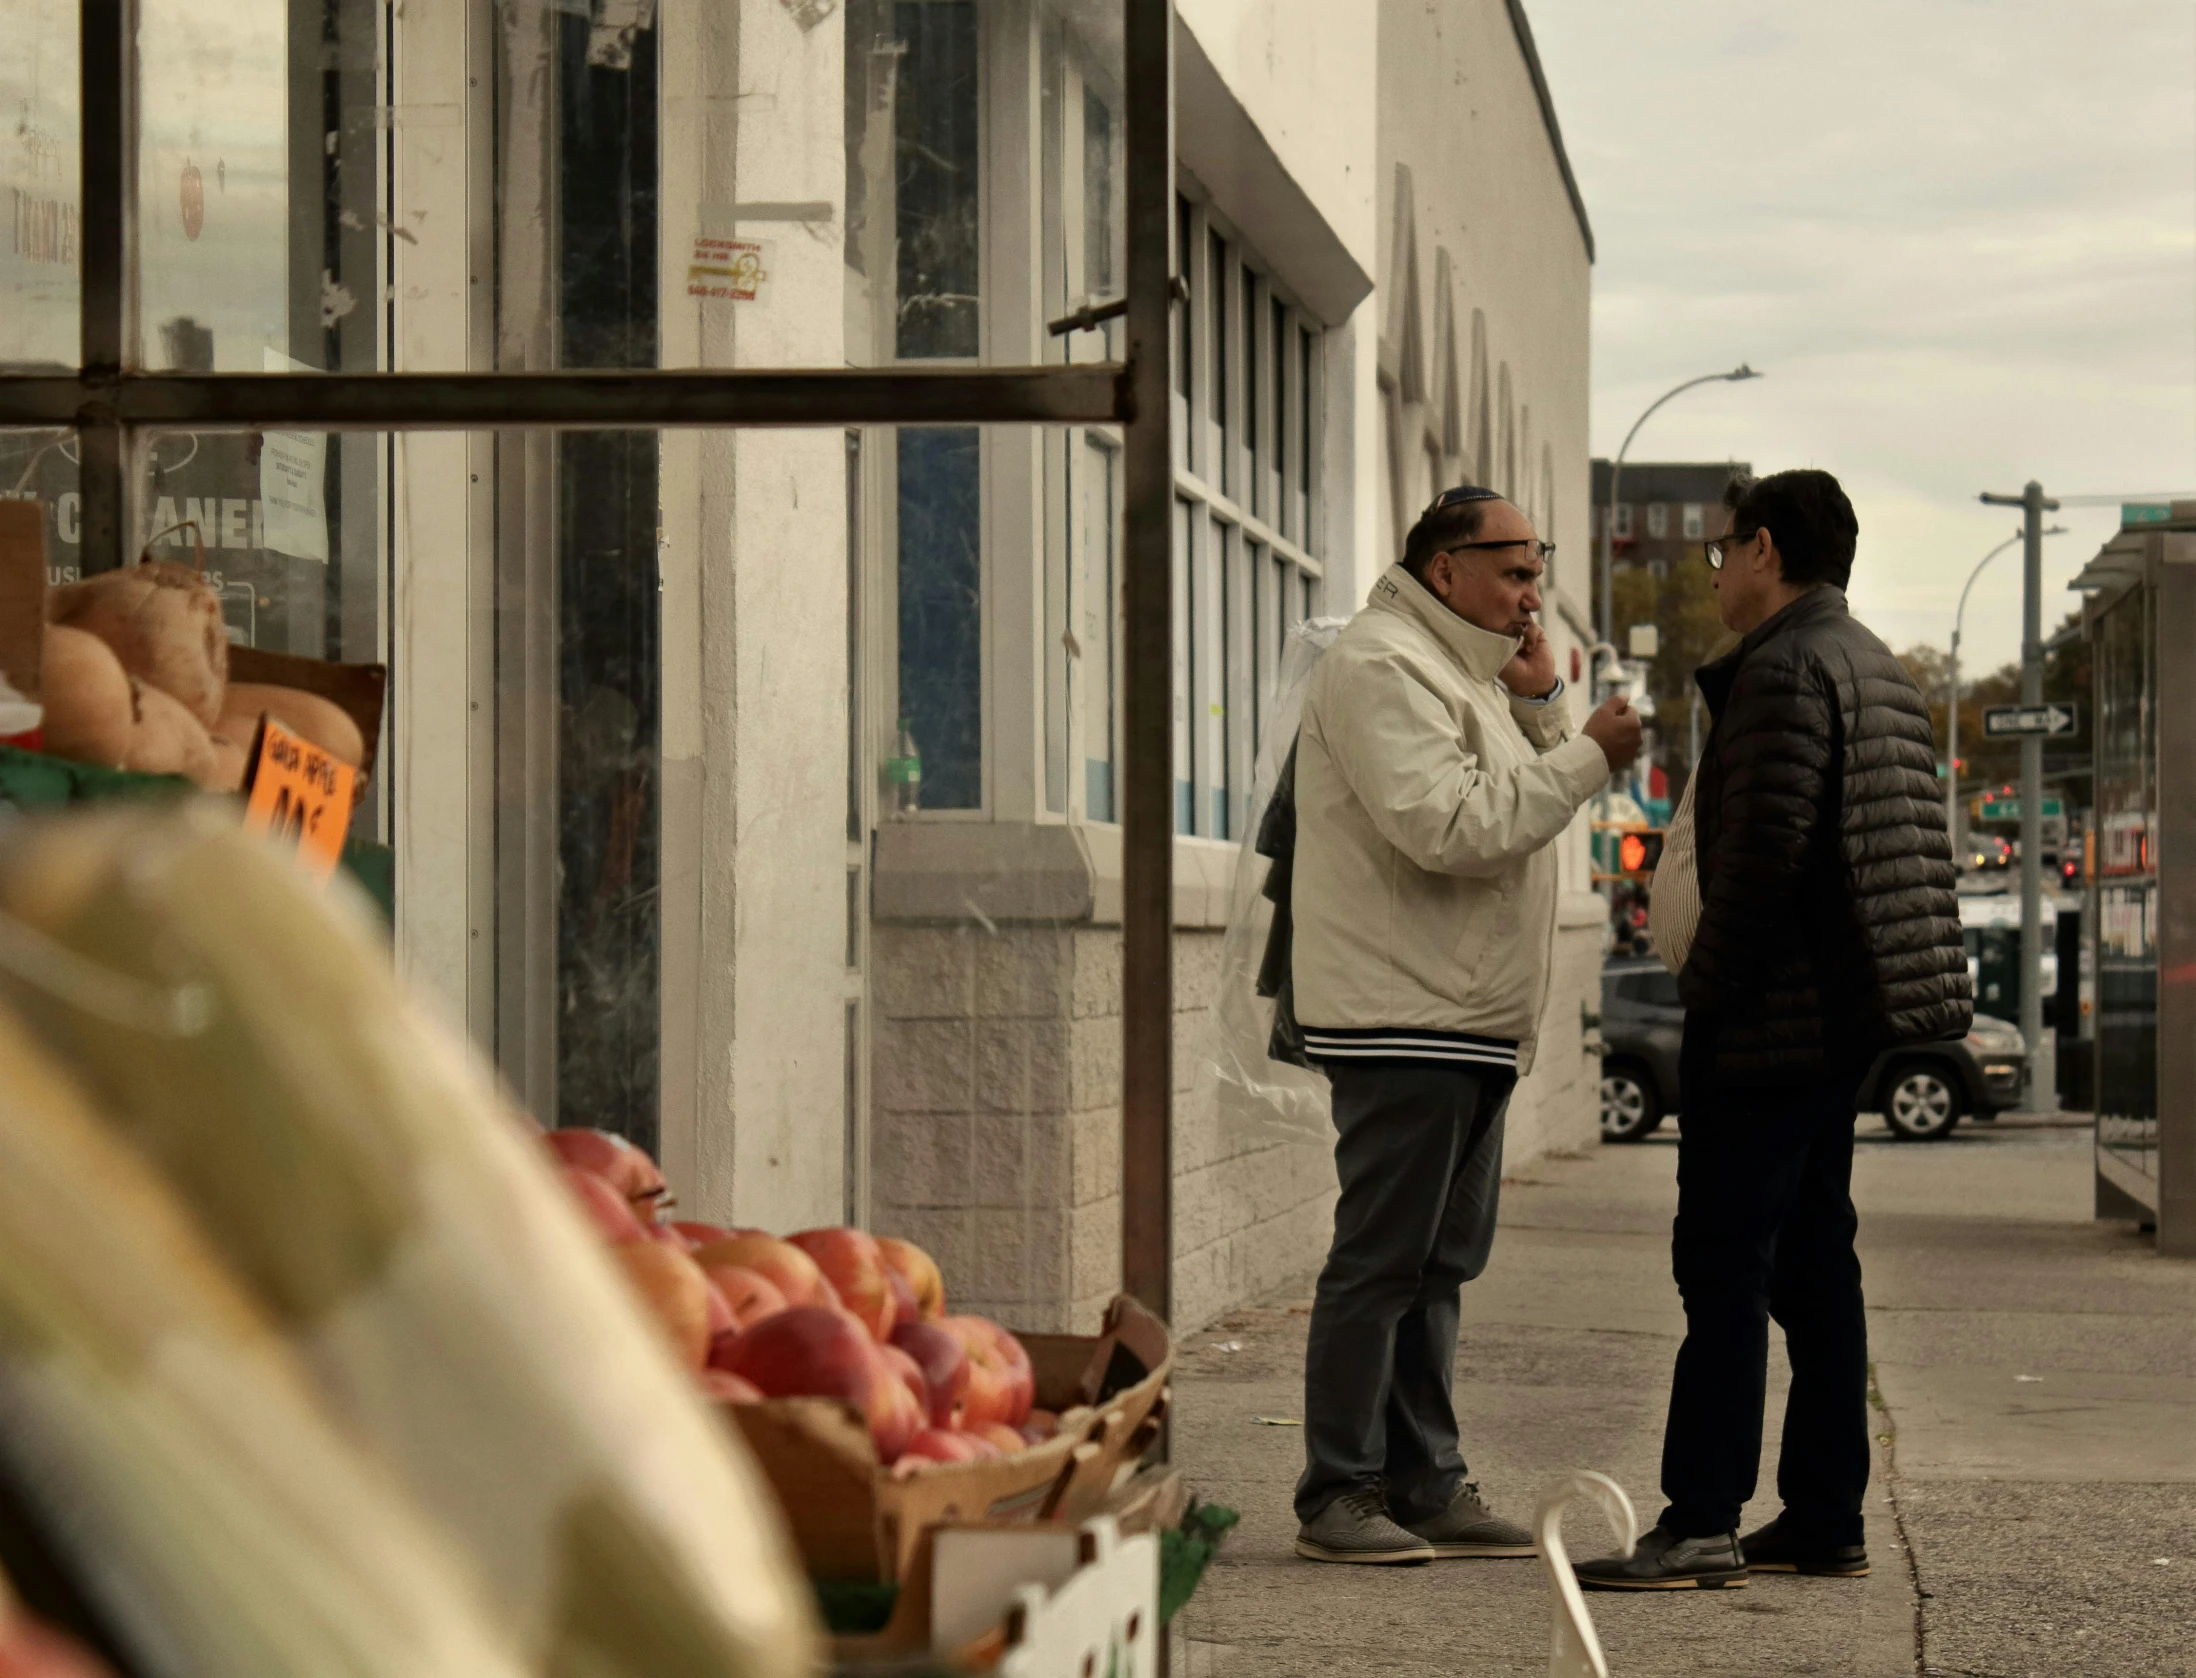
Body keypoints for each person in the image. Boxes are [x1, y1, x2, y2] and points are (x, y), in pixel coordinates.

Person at [1576, 469, 1970, 1591]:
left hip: (1769, 1017)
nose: (1715, 575)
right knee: (1812, 1263)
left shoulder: (1787, 669)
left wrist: (1708, 981)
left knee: (1724, 1265)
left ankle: (1701, 1515)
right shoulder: (1874, 664)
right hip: (1837, 1016)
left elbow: (1759, 862)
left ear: (1763, 550)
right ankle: (1825, 1511)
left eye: (1720, 553)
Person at [1289, 485, 1644, 1565]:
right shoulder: (1382, 664)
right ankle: (1337, 1491)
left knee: (1437, 1266)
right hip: (1405, 1016)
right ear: (1447, 568)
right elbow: (1452, 826)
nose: (1535, 596)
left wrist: (1538, 707)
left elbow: (1504, 791)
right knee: (1383, 1261)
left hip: (1463, 1017)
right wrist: (1586, 753)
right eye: (1517, 569)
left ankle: (1424, 1478)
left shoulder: (1457, 670)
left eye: (1539, 572)